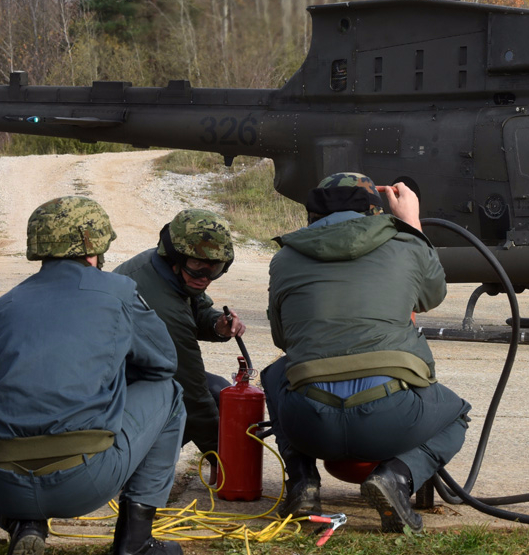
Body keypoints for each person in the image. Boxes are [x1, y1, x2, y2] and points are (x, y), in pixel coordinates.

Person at [0, 196, 185, 555]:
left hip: (0, 488)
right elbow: (163, 363)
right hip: (83, 481)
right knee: (171, 393)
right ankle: (136, 543)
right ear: (94, 248)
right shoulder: (118, 292)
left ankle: (24, 524)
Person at [262, 172, 472, 533]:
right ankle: (397, 477)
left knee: (276, 373)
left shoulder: (284, 259)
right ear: (376, 212)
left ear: (313, 215)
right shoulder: (406, 244)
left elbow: (283, 340)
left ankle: (302, 483)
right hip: (391, 421)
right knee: (457, 415)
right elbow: (432, 295)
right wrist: (411, 223)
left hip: (309, 426)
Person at [113, 209, 245, 462]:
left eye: (215, 269)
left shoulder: (161, 269)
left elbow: (196, 308)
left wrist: (217, 324)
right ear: (175, 257)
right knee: (204, 396)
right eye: (197, 267)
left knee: (218, 390)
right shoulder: (160, 306)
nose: (205, 278)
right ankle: (134, 464)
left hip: (130, 379)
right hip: (115, 398)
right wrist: (226, 460)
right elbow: (191, 393)